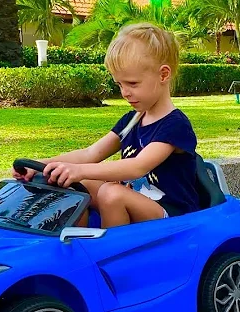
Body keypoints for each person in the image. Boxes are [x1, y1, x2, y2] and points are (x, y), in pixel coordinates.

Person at [12, 22, 200, 228]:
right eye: (119, 84)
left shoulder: (175, 125)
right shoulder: (132, 119)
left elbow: (137, 167)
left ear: (163, 75)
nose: (125, 92)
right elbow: (90, 153)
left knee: (112, 193)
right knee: (72, 184)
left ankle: (112, 253)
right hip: (135, 198)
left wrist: (81, 170)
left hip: (172, 217)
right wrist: (43, 165)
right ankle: (75, 246)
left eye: (132, 83)